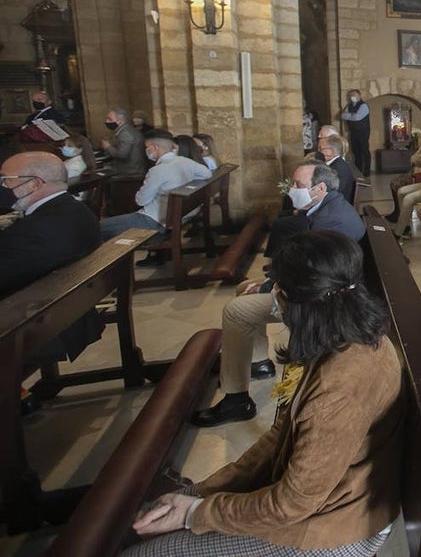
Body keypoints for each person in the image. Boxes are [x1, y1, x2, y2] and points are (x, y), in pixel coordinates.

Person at [129, 231, 403, 557]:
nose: (273, 297)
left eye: (277, 290)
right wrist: (201, 492)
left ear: (295, 303)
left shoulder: (338, 391)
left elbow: (292, 503)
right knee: (159, 517)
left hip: (335, 528)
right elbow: (281, 435)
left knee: (144, 554)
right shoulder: (349, 335)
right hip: (328, 502)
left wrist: (196, 513)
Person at [191, 162, 364, 427]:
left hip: (322, 304)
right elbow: (309, 266)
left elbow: (313, 277)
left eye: (298, 185)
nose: (292, 189)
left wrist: (270, 287)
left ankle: (236, 400)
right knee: (243, 288)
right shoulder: (329, 207)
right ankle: (258, 362)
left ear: (319, 188)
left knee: (236, 311)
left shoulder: (329, 221)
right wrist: (271, 281)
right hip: (321, 288)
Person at [0, 152, 101, 297]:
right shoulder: (79, 210)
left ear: (34, 184)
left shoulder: (30, 233)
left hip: (29, 306)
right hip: (71, 298)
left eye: (5, 180)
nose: (3, 186)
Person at [98, 132, 211, 242]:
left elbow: (141, 201)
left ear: (155, 147)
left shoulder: (157, 170)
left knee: (97, 228)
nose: (146, 150)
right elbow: (207, 174)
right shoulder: (186, 161)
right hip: (177, 219)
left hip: (153, 221)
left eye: (147, 147)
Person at [101, 107, 147, 176]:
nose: (106, 121)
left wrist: (108, 147)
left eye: (110, 119)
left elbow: (122, 155)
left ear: (120, 121)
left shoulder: (125, 134)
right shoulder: (126, 130)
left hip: (130, 172)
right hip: (131, 169)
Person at [317, 134, 358, 204]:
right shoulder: (333, 164)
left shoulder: (339, 169)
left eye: (322, 149)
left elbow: (332, 193)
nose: (319, 151)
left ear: (331, 151)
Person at [339, 89, 371, 176]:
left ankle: (367, 171)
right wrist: (352, 116)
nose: (352, 97)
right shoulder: (349, 105)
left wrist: (349, 116)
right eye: (351, 95)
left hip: (363, 132)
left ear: (359, 96)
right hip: (353, 132)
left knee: (364, 150)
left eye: (354, 95)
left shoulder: (363, 106)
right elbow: (342, 115)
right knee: (356, 152)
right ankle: (358, 170)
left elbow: (357, 117)